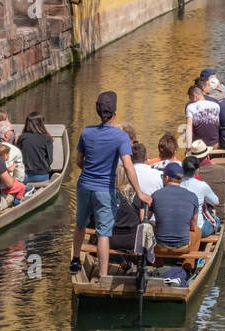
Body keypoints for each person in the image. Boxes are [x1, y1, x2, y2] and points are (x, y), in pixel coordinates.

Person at [70, 91, 151, 280]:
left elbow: (78, 160)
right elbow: (129, 167)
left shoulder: (86, 132)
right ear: (114, 112)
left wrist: (90, 169)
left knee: (80, 223)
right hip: (104, 189)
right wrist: (139, 193)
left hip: (84, 186)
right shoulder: (120, 137)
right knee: (103, 233)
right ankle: (103, 276)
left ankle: (75, 259)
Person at [148, 162, 202, 269]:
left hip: (160, 247)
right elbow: (193, 227)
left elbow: (146, 219)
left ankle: (157, 263)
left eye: (162, 176)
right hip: (182, 247)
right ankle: (189, 263)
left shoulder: (155, 195)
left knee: (151, 226)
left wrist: (155, 224)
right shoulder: (192, 196)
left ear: (167, 177)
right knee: (198, 231)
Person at [179, 155, 221, 238]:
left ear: (183, 169)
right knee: (217, 220)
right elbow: (216, 202)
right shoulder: (202, 185)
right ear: (197, 170)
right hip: (199, 228)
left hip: (180, 228)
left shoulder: (177, 184)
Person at [18, 112, 53, 182]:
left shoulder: (22, 137)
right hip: (42, 176)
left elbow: (18, 156)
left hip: (25, 176)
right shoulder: (47, 138)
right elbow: (50, 160)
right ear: (41, 123)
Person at [185, 82, 221, 148]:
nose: (190, 100)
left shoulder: (190, 107)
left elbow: (189, 129)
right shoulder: (216, 105)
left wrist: (188, 147)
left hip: (198, 145)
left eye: (190, 98)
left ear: (194, 96)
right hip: (214, 143)